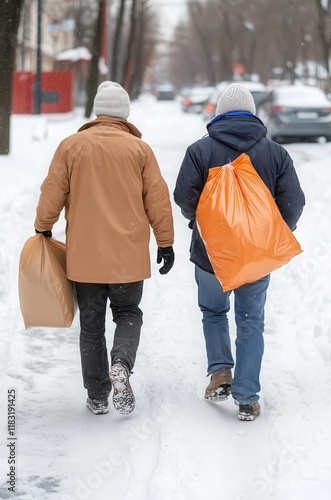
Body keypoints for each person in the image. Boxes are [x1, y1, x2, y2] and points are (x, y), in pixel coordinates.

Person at [34, 81, 175, 416]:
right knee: (127, 313)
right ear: (124, 113)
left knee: (92, 324)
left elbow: (52, 191)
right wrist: (165, 242)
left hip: (85, 256)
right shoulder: (140, 150)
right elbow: (158, 200)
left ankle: (97, 395)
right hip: (127, 255)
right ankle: (121, 364)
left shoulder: (72, 146)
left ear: (99, 111)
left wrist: (43, 225)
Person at [174, 83, 305, 421]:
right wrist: (269, 233)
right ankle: (247, 396)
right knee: (250, 321)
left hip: (210, 256)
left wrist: (208, 227)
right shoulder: (275, 153)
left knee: (213, 312)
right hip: (256, 256)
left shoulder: (200, 151)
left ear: (220, 113)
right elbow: (293, 202)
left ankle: (220, 373)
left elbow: (183, 196)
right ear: (253, 113)